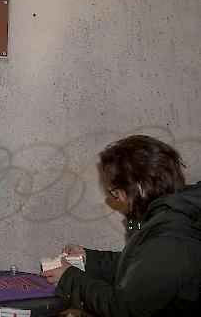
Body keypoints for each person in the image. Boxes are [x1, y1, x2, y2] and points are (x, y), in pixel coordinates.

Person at [42, 135, 201, 316]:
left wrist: (69, 279)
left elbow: (122, 309)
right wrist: (89, 260)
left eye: (115, 191)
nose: (118, 200)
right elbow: (144, 268)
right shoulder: (178, 212)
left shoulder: (169, 238)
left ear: (139, 188)